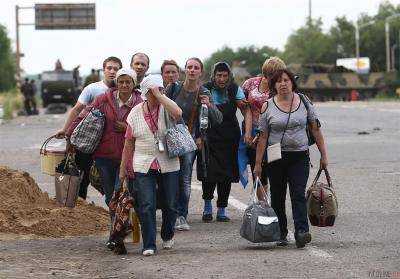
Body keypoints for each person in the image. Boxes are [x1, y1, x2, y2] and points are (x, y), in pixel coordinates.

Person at [67, 68, 142, 249]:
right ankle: (115, 233)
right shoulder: (103, 99)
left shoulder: (140, 103)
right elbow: (83, 116)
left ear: (134, 84)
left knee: (119, 194)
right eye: (121, 81)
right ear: (117, 82)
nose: (124, 85)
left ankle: (116, 236)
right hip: (103, 156)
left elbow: (147, 127)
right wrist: (70, 135)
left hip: (128, 158)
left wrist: (126, 128)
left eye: (128, 82)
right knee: (110, 198)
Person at [254, 69, 328, 248]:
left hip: (299, 156)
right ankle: (281, 232)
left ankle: (302, 231)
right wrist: (258, 164)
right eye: (278, 81)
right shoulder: (267, 106)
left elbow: (315, 129)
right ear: (274, 85)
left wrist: (324, 156)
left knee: (298, 194)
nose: (283, 84)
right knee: (278, 196)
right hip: (275, 156)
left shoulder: (304, 101)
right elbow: (263, 137)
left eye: (286, 80)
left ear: (292, 83)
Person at [119, 74, 182, 256]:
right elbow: (128, 143)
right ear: (146, 93)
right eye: (154, 91)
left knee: (171, 204)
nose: (158, 93)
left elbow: (178, 113)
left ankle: (167, 234)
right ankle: (149, 244)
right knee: (146, 205)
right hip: (143, 164)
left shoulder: (166, 107)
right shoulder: (135, 112)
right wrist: (123, 169)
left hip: (168, 163)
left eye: (161, 89)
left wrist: (161, 96)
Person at [165, 57, 223, 231]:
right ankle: (170, 214)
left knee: (184, 179)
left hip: (190, 142)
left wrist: (209, 105)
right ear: (184, 70)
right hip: (170, 139)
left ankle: (181, 215)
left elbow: (217, 119)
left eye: (195, 68)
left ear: (201, 72)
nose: (192, 70)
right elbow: (162, 111)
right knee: (168, 178)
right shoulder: (173, 88)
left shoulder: (204, 91)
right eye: (189, 67)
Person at [56, 56, 122, 199]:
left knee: (108, 182)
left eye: (116, 69)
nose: (112, 71)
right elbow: (76, 110)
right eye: (109, 68)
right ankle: (79, 210)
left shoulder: (122, 89)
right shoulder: (92, 88)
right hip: (88, 141)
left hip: (109, 144)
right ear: (104, 70)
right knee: (82, 178)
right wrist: (65, 130)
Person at [199, 62, 249, 222]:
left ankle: (222, 209)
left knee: (226, 175)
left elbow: (245, 108)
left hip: (229, 138)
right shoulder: (205, 88)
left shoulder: (235, 89)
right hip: (209, 137)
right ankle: (207, 207)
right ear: (213, 75)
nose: (221, 79)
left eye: (225, 75)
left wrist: (248, 131)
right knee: (208, 174)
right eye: (219, 75)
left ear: (229, 76)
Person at [240, 57, 286, 188]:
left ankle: (271, 203)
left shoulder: (280, 88)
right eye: (272, 74)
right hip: (252, 131)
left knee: (274, 170)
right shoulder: (249, 84)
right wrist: (248, 132)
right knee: (258, 170)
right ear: (265, 73)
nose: (275, 78)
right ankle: (262, 205)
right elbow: (245, 108)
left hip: (274, 135)